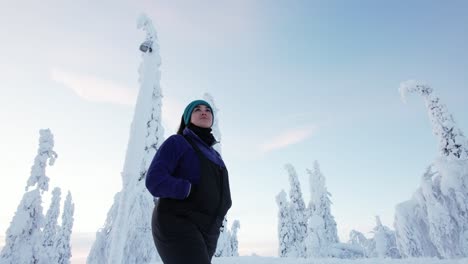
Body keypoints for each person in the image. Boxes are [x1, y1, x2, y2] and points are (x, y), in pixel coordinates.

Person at [146, 99, 232, 264]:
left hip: (208, 231)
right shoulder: (178, 142)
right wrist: (185, 189)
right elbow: (154, 180)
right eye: (197, 109)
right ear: (187, 118)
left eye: (208, 109)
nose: (204, 112)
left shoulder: (216, 156)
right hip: (177, 221)